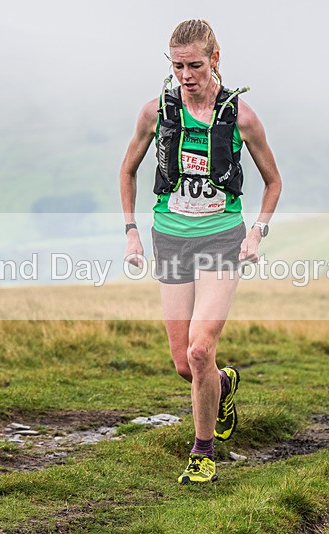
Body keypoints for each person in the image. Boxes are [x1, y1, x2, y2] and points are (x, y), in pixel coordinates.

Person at [119, 19, 282, 484]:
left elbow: (273, 181)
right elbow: (127, 171)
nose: (186, 75)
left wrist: (256, 233)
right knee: (183, 364)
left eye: (194, 65)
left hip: (221, 238)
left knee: (198, 350)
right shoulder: (155, 112)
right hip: (170, 237)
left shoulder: (242, 118)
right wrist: (132, 231)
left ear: (215, 60)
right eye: (177, 66)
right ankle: (224, 384)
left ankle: (202, 452)